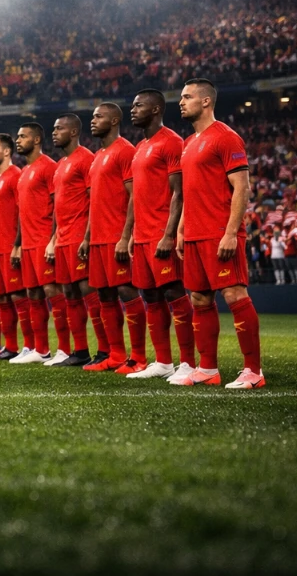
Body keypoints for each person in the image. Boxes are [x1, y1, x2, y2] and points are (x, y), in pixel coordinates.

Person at [174, 78, 264, 389]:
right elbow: (189, 191)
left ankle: (253, 371)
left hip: (219, 232)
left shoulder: (226, 138)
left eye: (187, 97)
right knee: (199, 298)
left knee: (234, 294)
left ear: (206, 102)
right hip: (196, 234)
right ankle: (208, 369)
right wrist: (182, 229)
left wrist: (230, 233)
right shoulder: (188, 144)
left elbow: (242, 187)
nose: (181, 102)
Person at [123, 90, 196, 381]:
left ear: (155, 109)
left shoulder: (172, 142)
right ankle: (163, 362)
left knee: (173, 292)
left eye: (138, 105)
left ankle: (188, 363)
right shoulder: (141, 147)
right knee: (150, 295)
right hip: (141, 236)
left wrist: (168, 235)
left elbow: (179, 191)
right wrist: (131, 233)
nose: (133, 109)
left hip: (160, 234)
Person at [79, 103, 146, 374]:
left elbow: (134, 195)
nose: (93, 121)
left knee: (126, 290)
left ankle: (138, 356)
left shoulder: (125, 151)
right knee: (105, 294)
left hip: (117, 236)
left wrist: (125, 235)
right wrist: (87, 237)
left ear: (115, 119)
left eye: (98, 116)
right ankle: (116, 354)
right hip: (97, 239)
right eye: (92, 116)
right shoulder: (98, 156)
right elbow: (95, 202)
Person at [47, 114, 102, 367]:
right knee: (69, 292)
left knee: (88, 291)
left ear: (73, 132)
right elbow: (58, 207)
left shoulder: (86, 159)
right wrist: (53, 239)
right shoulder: (61, 165)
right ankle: (80, 351)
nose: (54, 132)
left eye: (59, 128)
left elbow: (94, 200)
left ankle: (104, 350)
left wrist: (88, 236)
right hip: (62, 238)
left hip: (80, 236)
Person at [12, 123, 62, 364]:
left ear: (37, 139)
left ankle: (66, 349)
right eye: (18, 136)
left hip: (44, 239)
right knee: (32, 293)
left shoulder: (49, 167)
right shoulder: (24, 172)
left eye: (23, 136)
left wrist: (53, 239)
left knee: (52, 290)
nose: (18, 140)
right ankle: (40, 350)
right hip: (28, 243)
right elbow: (22, 213)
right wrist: (18, 244)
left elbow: (57, 206)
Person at [0, 134, 29, 361]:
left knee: (19, 296)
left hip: (11, 247)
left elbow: (22, 212)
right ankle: (10, 347)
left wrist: (17, 244)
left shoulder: (16, 176)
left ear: (7, 151)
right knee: (1, 298)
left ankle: (31, 347)